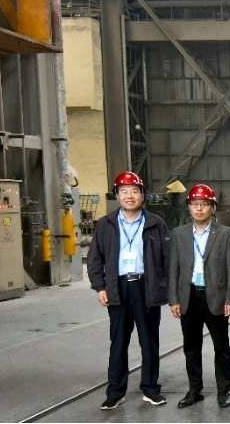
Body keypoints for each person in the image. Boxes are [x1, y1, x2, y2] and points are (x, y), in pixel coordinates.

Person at [87, 170, 170, 410]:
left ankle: (150, 389)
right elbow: (94, 258)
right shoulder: (106, 225)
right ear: (117, 195)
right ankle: (115, 392)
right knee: (118, 342)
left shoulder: (156, 223)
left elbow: (167, 258)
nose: (130, 196)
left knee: (149, 341)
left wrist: (163, 287)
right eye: (124, 192)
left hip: (146, 287)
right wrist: (100, 286)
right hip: (118, 287)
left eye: (135, 191)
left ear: (142, 194)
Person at [167, 183, 230, 409]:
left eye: (204, 204)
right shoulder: (179, 234)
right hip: (189, 297)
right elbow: (173, 269)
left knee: (221, 347)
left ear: (212, 207)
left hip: (215, 297)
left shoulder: (226, 234)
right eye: (195, 204)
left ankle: (223, 391)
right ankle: (194, 390)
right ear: (189, 207)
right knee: (191, 347)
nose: (199, 209)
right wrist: (174, 299)